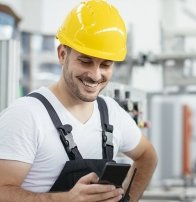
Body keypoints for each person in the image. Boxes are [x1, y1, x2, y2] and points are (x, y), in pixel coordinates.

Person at [0, 0, 157, 201]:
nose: (95, 74)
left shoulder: (111, 113)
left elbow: (147, 156)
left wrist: (127, 198)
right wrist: (66, 199)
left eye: (105, 65)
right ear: (62, 54)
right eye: (85, 61)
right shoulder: (26, 115)